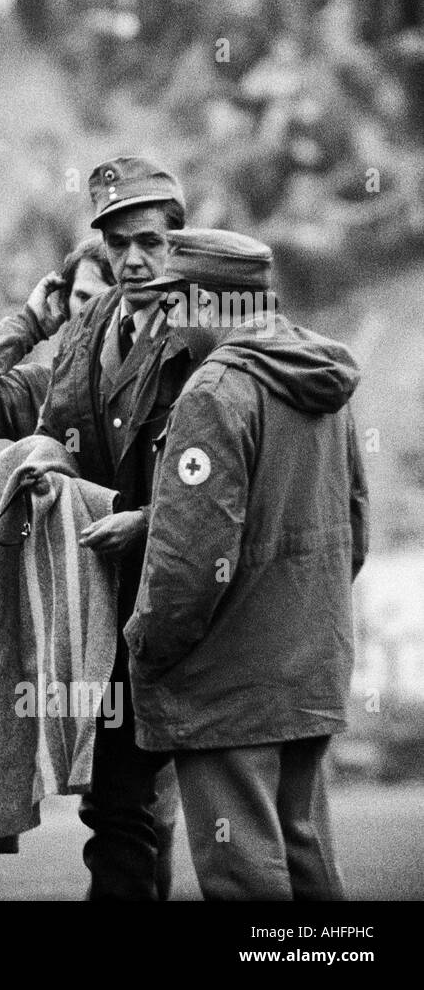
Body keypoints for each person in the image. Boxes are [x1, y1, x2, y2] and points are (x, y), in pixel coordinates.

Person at [0, 157, 219, 900]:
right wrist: (43, 463)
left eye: (148, 240)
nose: (133, 259)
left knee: (233, 822)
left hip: (196, 600)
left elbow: (233, 472)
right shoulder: (88, 328)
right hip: (107, 611)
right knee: (115, 810)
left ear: (179, 240)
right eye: (117, 244)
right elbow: (26, 418)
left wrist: (148, 522)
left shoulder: (210, 336)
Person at [125, 229, 368, 900]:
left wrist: (146, 644)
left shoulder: (215, 391)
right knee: (307, 856)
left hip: (228, 686)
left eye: (178, 303)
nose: (171, 320)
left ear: (212, 303)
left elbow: (192, 559)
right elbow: (354, 529)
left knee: (244, 874)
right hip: (308, 669)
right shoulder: (324, 381)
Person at [0, 233, 114, 440]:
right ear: (64, 302)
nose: (91, 311)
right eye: (83, 297)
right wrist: (28, 324)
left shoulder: (150, 384)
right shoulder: (44, 392)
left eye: (105, 299)